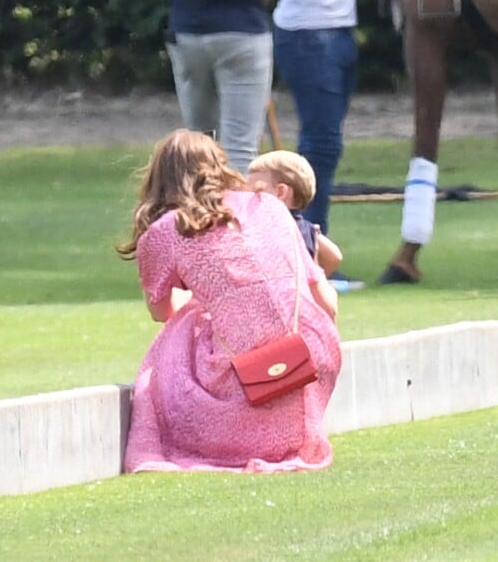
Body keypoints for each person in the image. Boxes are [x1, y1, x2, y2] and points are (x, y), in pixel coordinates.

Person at [117, 129, 342, 473]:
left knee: (181, 328)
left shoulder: (164, 231)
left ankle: (179, 439)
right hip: (308, 358)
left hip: (242, 380)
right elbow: (315, 286)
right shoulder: (266, 204)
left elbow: (161, 312)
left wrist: (206, 298)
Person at [272, 0, 359, 283]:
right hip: (306, 33)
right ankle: (308, 255)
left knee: (320, 144)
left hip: (340, 29)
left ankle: (302, 247)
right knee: (322, 145)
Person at [163, 0, 276, 175]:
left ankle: (202, 202)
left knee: (200, 143)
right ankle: (234, 204)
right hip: (242, 29)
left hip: (187, 30)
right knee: (240, 147)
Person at [247, 149, 343, 276]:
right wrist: (314, 279)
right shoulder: (307, 229)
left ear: (281, 192)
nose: (248, 198)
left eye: (255, 191)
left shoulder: (266, 229)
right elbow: (335, 257)